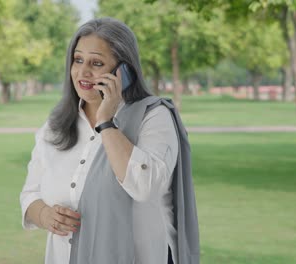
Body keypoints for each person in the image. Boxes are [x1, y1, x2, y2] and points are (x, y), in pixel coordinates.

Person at [20, 17, 199, 264]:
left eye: (96, 63)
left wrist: (106, 122)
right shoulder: (55, 126)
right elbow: (30, 194)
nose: (83, 72)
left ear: (123, 71)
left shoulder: (154, 117)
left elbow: (144, 186)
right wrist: (45, 215)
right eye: (78, 60)